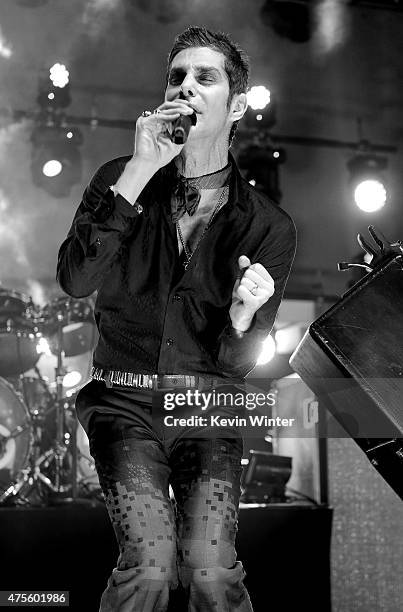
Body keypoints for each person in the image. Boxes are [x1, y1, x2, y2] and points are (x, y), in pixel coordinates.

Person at [57, 26, 296, 612]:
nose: (185, 85)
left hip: (208, 407)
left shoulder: (268, 226)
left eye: (204, 76)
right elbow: (75, 280)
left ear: (237, 105)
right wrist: (138, 170)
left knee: (211, 570)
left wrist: (243, 318)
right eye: (176, 76)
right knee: (151, 562)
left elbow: (240, 365)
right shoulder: (120, 177)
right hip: (123, 403)